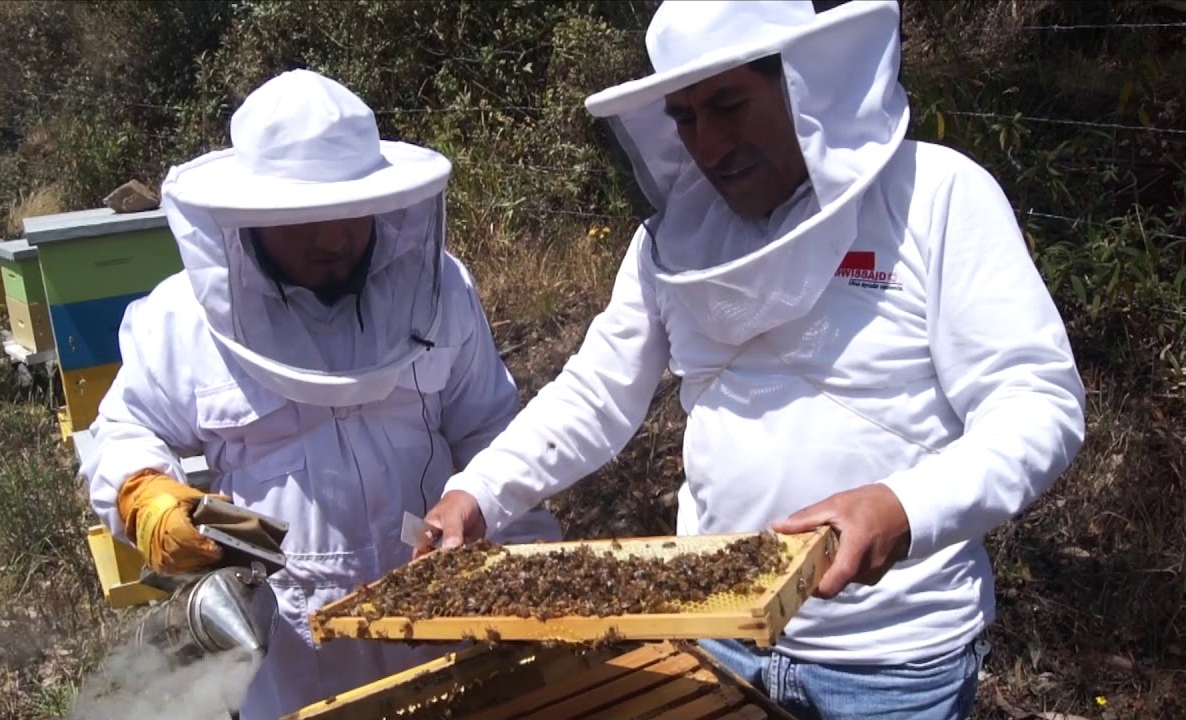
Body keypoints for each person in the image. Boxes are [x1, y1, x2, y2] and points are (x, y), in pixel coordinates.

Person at [418, 1, 1086, 718]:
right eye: (684, 117)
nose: (707, 143)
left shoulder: (935, 195)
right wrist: (480, 492)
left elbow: (1035, 401)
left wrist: (903, 506)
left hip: (889, 667)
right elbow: (597, 390)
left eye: (729, 104)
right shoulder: (672, 238)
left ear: (805, 85)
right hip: (712, 635)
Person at [80, 68, 561, 720]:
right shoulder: (182, 318)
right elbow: (125, 429)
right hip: (288, 645)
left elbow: (492, 429)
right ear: (248, 218)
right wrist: (148, 498)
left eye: (348, 212)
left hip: (441, 618)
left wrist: (523, 560)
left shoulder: (439, 289)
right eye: (303, 219)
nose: (332, 239)